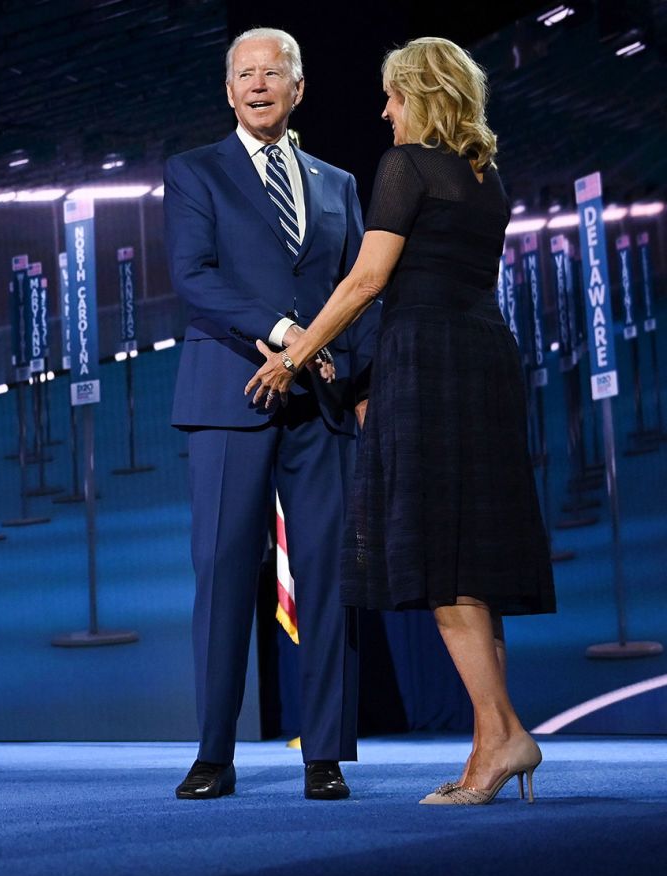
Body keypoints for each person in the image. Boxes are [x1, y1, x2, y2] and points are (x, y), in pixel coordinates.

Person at [246, 36, 555, 806]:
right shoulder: (486, 176)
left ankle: (504, 733)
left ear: (420, 94)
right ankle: (491, 745)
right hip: (486, 358)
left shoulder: (406, 165)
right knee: (473, 558)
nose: (384, 111)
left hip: (430, 366)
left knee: (441, 561)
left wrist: (295, 352)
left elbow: (368, 279)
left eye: (393, 95)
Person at [164, 28, 378, 801]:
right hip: (230, 397)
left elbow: (362, 290)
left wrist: (356, 381)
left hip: (320, 408)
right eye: (244, 75)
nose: (258, 85)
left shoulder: (337, 182)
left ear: (298, 87)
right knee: (223, 577)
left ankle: (325, 752)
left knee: (328, 577)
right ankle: (214, 754)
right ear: (229, 92)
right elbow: (194, 278)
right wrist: (288, 335)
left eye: (273, 73)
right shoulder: (194, 173)